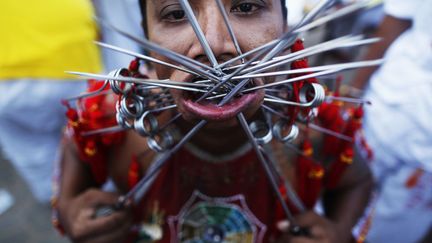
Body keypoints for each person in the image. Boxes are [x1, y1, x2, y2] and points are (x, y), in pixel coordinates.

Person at [55, 0, 373, 242]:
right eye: (176, 13)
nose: (215, 45)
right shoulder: (113, 116)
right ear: (146, 33)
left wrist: (339, 230)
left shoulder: (315, 125)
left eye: (246, 6)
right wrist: (69, 208)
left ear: (285, 26)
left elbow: (357, 182)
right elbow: (75, 150)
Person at [0, 0, 102, 203]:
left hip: (8, 77)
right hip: (74, 56)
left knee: (39, 162)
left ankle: (65, 207)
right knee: (100, 139)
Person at [350, 0, 432, 242]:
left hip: (426, 162)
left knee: (388, 235)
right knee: (331, 207)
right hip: (384, 107)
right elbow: (393, 23)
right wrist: (352, 93)